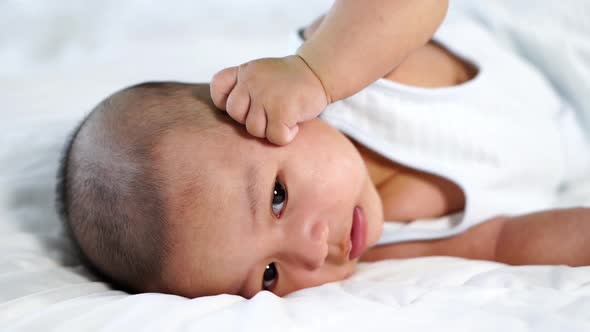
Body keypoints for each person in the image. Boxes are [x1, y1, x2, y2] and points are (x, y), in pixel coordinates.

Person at [56, 6, 590, 299]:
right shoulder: (375, 247)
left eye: (278, 198)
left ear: (251, 106)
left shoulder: (347, 73)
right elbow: (499, 243)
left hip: (559, 42)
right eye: (268, 275)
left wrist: (316, 72)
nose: (311, 253)